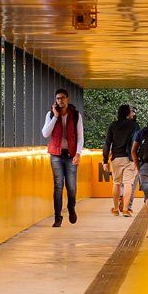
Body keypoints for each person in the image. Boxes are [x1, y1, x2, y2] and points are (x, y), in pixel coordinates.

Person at [40, 88, 84, 226]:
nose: (60, 101)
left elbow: (80, 137)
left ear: (67, 99)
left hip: (71, 155)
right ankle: (58, 217)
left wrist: (78, 153)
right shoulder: (50, 114)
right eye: (58, 98)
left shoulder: (75, 115)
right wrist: (55, 117)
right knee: (58, 186)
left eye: (62, 98)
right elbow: (45, 133)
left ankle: (71, 207)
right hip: (56, 155)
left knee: (71, 186)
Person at [103, 104, 139, 216]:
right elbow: (137, 143)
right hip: (130, 158)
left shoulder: (113, 125)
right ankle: (126, 209)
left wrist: (105, 160)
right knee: (128, 184)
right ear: (128, 113)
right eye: (131, 111)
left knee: (116, 183)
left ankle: (115, 209)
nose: (133, 113)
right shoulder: (135, 125)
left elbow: (107, 143)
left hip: (116, 158)